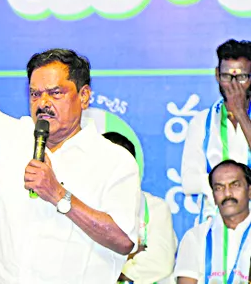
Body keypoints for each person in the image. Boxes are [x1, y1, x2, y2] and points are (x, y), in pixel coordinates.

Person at [0, 0, 140, 283]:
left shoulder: (114, 160)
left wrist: (58, 195)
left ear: (84, 96)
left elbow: (123, 240)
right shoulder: (14, 136)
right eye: (35, 93)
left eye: (55, 93)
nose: (43, 102)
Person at [182, 39, 251, 225]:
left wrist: (241, 115)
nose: (233, 85)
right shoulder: (202, 122)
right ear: (216, 75)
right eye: (227, 76)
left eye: (242, 77)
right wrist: (231, 187)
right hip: (213, 223)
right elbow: (189, 182)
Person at [103, 132, 177, 284]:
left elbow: (159, 264)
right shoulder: (78, 206)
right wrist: (133, 255)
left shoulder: (155, 207)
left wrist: (105, 270)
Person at [175, 160, 251, 283]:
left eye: (235, 185)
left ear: (249, 191)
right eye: (219, 188)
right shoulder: (195, 237)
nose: (227, 193)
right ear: (214, 197)